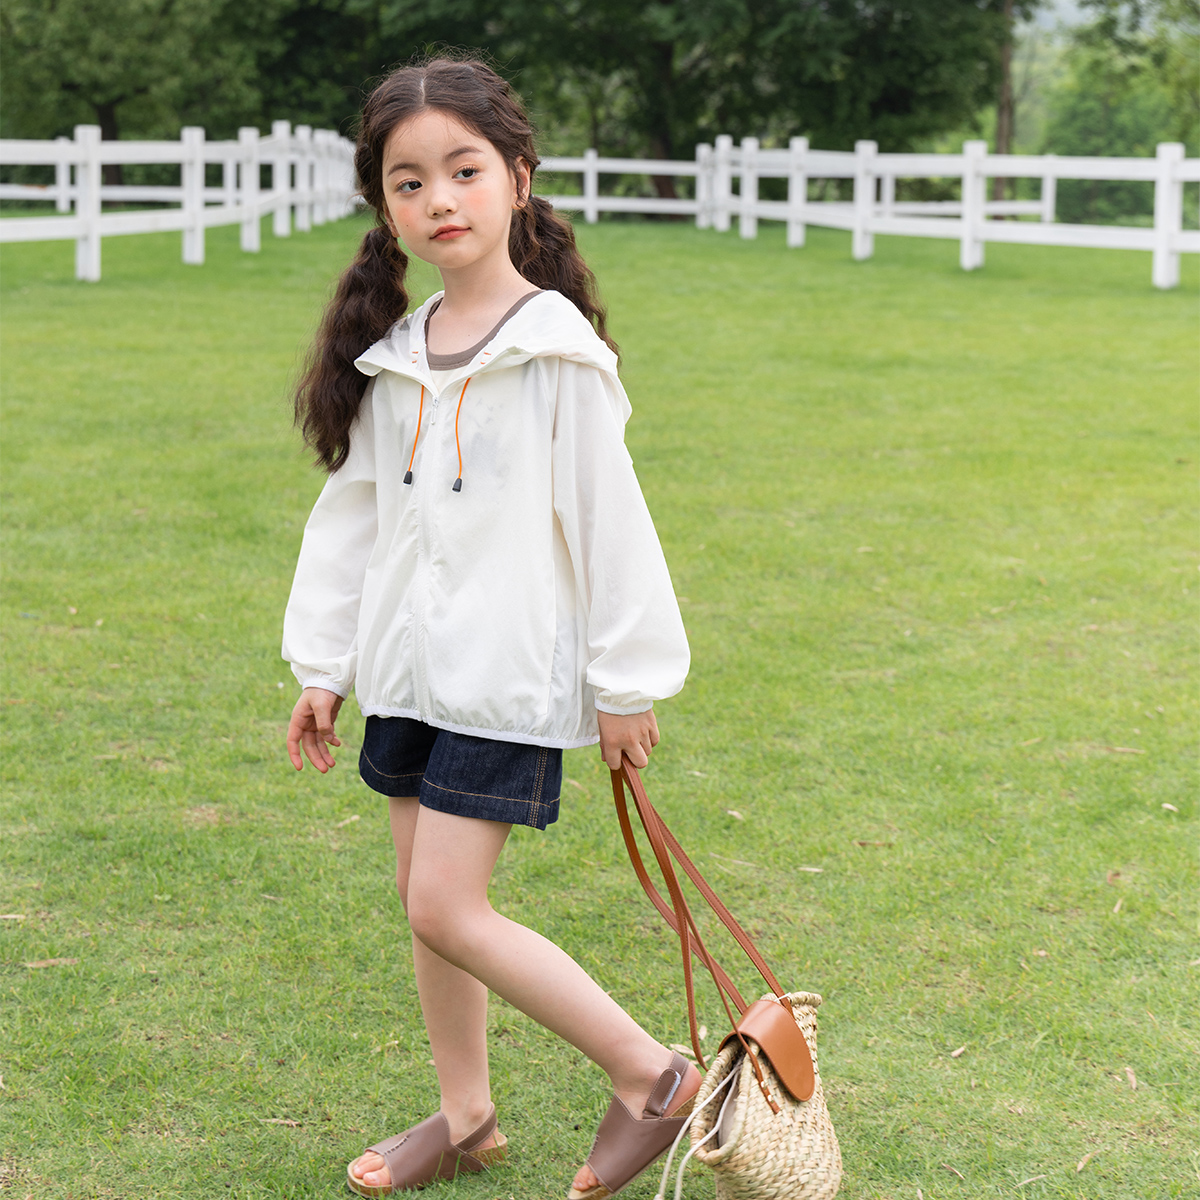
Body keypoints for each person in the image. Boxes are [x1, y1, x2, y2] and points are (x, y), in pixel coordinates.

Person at [281, 54, 698, 1200]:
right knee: (426, 909)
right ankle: (466, 1117)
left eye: (464, 171)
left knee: (445, 905)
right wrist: (324, 665)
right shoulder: (398, 356)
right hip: (407, 678)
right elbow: (353, 520)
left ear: (518, 177)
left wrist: (625, 682)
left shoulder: (555, 354)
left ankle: (654, 1077)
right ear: (385, 208)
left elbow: (611, 522)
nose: (440, 200)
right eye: (409, 182)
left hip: (504, 679)